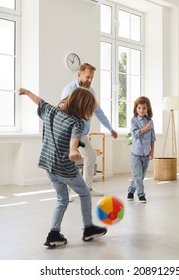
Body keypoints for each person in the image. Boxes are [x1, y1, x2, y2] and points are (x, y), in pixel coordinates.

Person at [19, 87, 107, 247]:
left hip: (48, 165)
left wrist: (26, 92)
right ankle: (88, 229)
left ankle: (53, 234)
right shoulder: (77, 122)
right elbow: (74, 140)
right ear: (83, 107)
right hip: (64, 167)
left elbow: (39, 100)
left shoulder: (51, 111)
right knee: (85, 193)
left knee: (62, 199)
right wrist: (73, 150)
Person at [62, 63, 118, 197]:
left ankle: (87, 189)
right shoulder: (69, 89)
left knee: (91, 156)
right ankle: (65, 193)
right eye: (88, 77)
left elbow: (98, 111)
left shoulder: (91, 91)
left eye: (92, 77)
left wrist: (110, 129)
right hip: (69, 133)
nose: (90, 80)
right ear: (79, 74)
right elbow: (63, 110)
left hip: (82, 133)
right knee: (69, 160)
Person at [127, 96, 156, 203]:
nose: (141, 110)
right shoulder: (134, 120)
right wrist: (145, 128)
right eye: (139, 108)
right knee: (137, 175)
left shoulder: (150, 122)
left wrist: (152, 152)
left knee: (141, 175)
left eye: (144, 108)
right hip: (136, 153)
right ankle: (141, 194)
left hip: (146, 153)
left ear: (147, 109)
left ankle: (131, 190)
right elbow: (135, 133)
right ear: (136, 109)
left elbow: (153, 138)